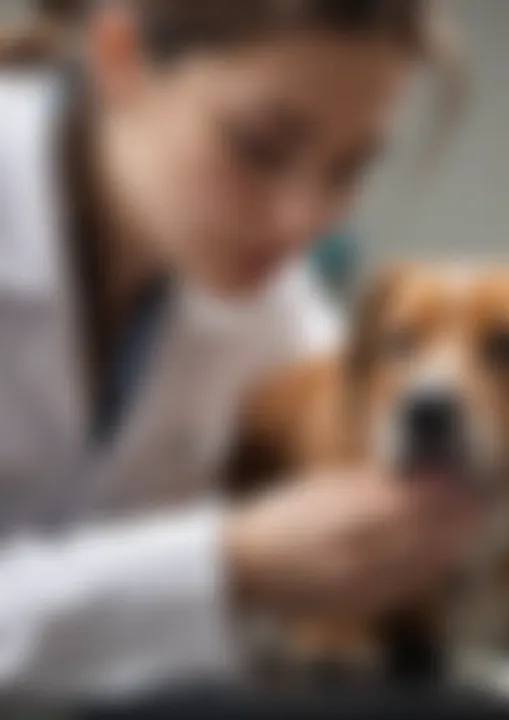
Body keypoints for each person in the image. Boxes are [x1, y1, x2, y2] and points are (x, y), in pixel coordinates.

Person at [0, 0, 477, 700]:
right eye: (258, 148)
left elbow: (359, 437)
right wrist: (230, 564)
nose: (305, 220)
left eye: (349, 169)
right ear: (120, 61)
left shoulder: (270, 298)